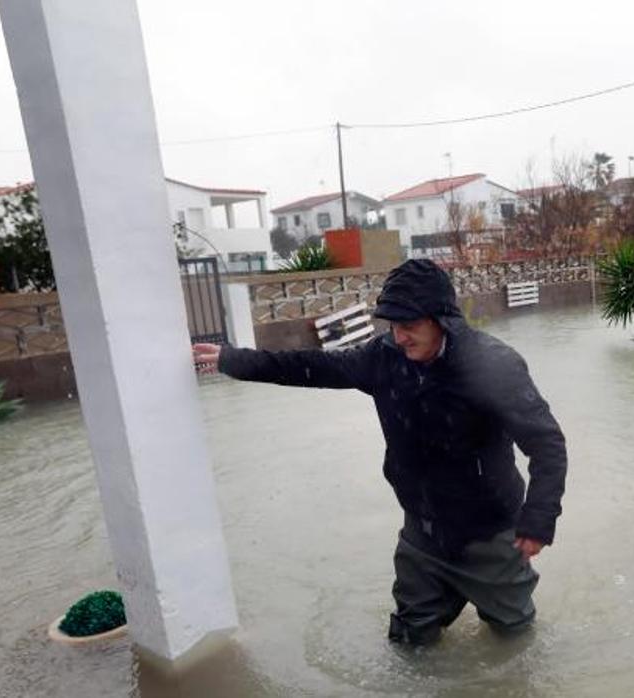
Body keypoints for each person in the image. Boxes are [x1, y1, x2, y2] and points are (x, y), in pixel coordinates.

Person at [192, 259, 567, 645]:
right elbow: (314, 366)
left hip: (490, 534)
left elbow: (547, 444)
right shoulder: (384, 357)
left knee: (515, 643)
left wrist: (537, 520)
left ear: (443, 319)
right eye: (393, 325)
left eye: (410, 325)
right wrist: (233, 359)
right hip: (422, 534)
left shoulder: (493, 366)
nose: (399, 336)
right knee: (409, 641)